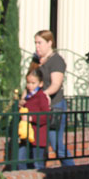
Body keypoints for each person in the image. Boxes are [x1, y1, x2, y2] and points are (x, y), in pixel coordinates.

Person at [33, 30, 74, 165]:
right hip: (39, 107)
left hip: (54, 105)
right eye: (36, 43)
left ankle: (72, 170)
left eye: (40, 43)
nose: (37, 46)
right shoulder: (37, 60)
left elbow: (56, 84)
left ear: (50, 43)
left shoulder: (56, 60)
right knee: (38, 143)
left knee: (56, 143)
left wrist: (43, 95)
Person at [18, 68, 50, 170]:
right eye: (28, 83)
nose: (30, 86)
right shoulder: (28, 97)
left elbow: (47, 116)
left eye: (33, 83)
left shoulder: (41, 97)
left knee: (38, 164)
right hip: (26, 134)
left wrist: (32, 118)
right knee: (20, 160)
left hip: (38, 136)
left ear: (40, 84)